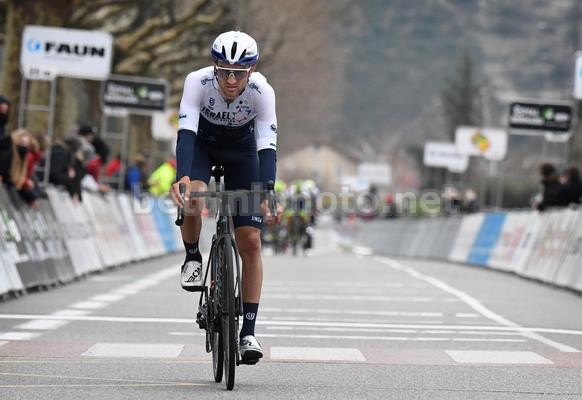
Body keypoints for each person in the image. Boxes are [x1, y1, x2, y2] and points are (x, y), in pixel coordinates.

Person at [170, 31, 280, 364]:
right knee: (194, 194)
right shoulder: (197, 82)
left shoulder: (263, 91)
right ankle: (192, 256)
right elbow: (186, 133)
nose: (231, 80)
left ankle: (248, 333)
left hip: (242, 154)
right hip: (203, 147)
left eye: (239, 73)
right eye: (225, 71)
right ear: (214, 67)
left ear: (252, 70)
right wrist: (182, 176)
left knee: (251, 242)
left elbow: (267, 145)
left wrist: (267, 190)